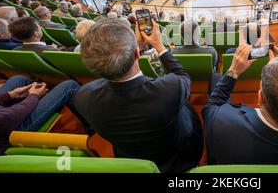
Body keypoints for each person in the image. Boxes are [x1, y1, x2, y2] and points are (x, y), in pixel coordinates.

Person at [72, 18, 203, 172]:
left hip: (130, 159)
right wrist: (159, 46)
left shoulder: (83, 98)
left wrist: (133, 47)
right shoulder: (169, 90)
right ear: (137, 53)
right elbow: (182, 75)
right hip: (178, 158)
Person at [0, 75, 80, 156]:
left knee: (19, 80)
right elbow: (9, 118)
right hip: (8, 133)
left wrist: (10, 95)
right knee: (69, 86)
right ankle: (91, 129)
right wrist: (33, 96)